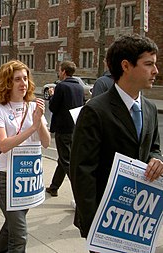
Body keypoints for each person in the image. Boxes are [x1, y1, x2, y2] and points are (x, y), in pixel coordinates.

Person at [70, 34, 163, 244]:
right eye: (148, 64)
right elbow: (82, 171)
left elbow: (153, 148)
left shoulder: (148, 108)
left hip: (139, 218)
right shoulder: (95, 110)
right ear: (126, 66)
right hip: (106, 219)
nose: (155, 71)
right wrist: (93, 224)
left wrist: (156, 160)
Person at [0, 60, 50, 252]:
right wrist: (32, 127)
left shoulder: (33, 107)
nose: (23, 83)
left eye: (25, 78)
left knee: (11, 226)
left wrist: (39, 121)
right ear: (7, 83)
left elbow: (46, 143)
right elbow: (4, 145)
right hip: (6, 177)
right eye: (17, 80)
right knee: (20, 234)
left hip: (28, 177)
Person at [46, 61, 84, 197]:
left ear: (63, 71)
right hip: (74, 127)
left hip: (62, 129)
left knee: (66, 161)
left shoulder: (61, 86)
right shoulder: (79, 87)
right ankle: (54, 187)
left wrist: (51, 95)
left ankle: (80, 192)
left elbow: (53, 107)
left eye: (59, 70)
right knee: (63, 159)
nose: (59, 72)